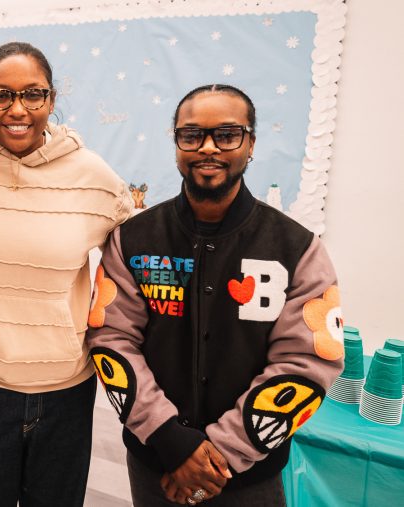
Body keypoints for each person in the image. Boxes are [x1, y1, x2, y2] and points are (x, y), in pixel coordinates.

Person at [85, 84, 345, 506]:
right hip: (157, 462)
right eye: (191, 135)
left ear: (251, 144)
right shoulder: (132, 239)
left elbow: (308, 362)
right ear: (176, 144)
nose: (208, 148)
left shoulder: (297, 249)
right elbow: (110, 340)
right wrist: (171, 440)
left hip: (250, 478)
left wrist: (219, 455)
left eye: (226, 135)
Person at [0, 41, 133, 507]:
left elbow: (139, 266)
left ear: (52, 100)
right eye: (0, 95)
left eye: (33, 95)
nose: (16, 109)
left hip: (66, 391)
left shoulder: (94, 177)